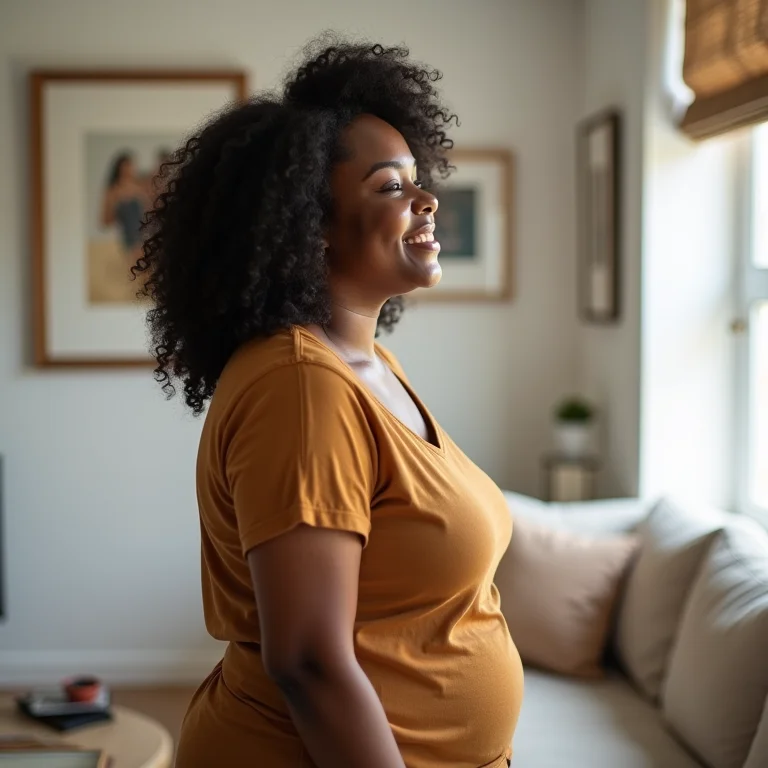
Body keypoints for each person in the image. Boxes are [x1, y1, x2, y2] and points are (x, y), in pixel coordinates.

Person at [134, 36, 524, 768]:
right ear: (309, 229)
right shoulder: (303, 388)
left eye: (418, 178)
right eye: (389, 186)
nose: (426, 198)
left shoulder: (368, 367)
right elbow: (309, 662)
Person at [101, 152, 149, 264]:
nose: (129, 170)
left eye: (130, 166)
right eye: (125, 166)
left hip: (145, 235)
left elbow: (150, 211)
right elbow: (105, 221)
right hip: (128, 238)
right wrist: (118, 202)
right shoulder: (113, 191)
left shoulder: (141, 186)